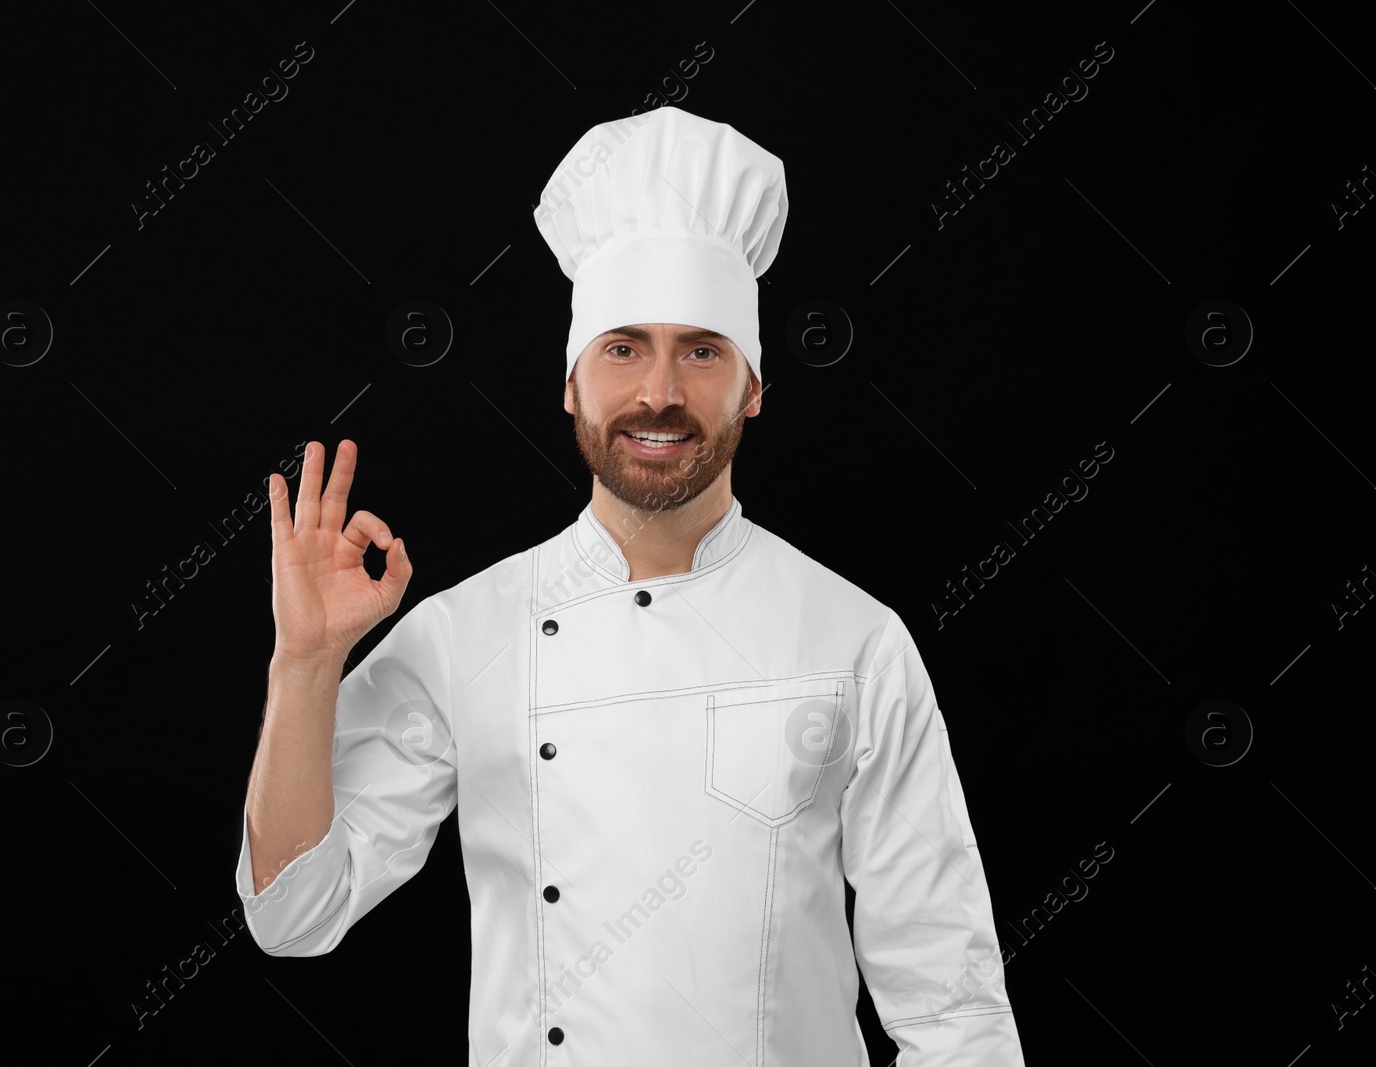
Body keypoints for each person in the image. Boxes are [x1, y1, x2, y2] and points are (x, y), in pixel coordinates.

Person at [236, 105, 1024, 1065]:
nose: (660, 392)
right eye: (624, 348)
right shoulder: (464, 638)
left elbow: (954, 1009)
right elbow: (293, 911)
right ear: (571, 383)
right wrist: (306, 663)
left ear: (755, 385)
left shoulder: (854, 642)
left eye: (703, 349)